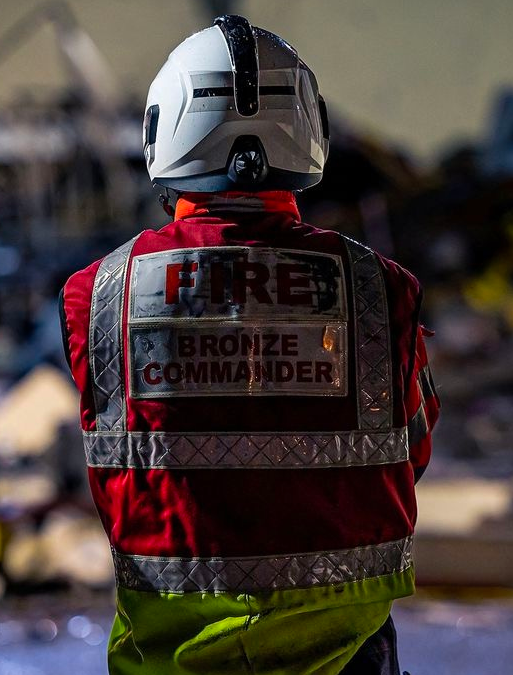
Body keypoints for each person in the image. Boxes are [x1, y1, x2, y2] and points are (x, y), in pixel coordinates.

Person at [59, 15, 439, 674]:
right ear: (310, 130)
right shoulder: (383, 290)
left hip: (168, 658)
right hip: (347, 656)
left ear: (161, 132)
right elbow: (410, 448)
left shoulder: (98, 293)